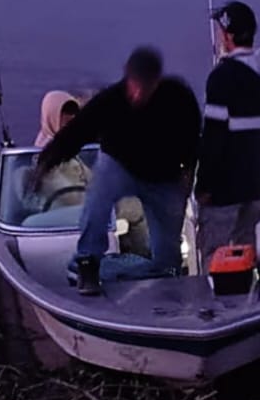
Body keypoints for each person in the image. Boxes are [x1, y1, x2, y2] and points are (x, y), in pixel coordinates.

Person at [35, 47, 200, 295]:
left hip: (163, 176)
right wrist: (44, 165)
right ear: (127, 78)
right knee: (99, 197)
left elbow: (193, 140)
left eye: (145, 87)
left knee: (168, 253)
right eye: (134, 86)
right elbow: (74, 134)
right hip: (119, 167)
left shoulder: (178, 97)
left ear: (156, 81)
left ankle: (167, 274)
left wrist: (188, 173)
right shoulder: (110, 101)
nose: (138, 94)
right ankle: (88, 261)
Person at [195, 1, 260, 271]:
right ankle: (247, 291)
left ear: (228, 36)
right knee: (245, 249)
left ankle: (214, 295)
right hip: (256, 185)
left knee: (215, 254)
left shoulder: (222, 77)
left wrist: (203, 186)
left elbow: (214, 138)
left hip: (225, 189)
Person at [34, 90, 150, 256]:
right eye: (65, 116)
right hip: (67, 210)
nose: (70, 120)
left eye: (73, 115)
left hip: (79, 203)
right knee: (135, 207)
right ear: (51, 117)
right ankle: (145, 255)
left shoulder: (67, 147)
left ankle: (127, 250)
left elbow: (90, 176)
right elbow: (66, 194)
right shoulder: (47, 155)